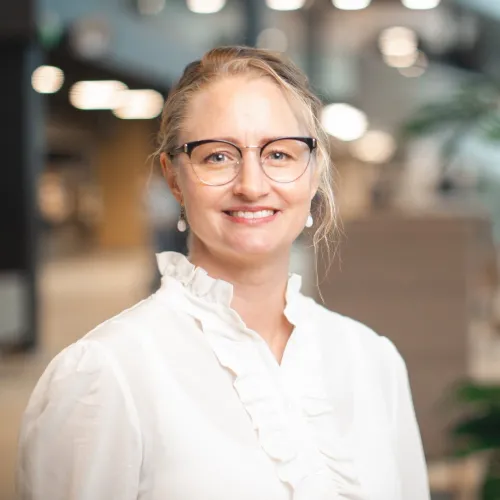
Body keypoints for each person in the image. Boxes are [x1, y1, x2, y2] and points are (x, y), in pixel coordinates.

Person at [17, 46, 430, 500]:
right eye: (217, 156)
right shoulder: (106, 374)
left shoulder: (372, 359)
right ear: (174, 178)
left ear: (313, 173)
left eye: (279, 154)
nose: (251, 185)